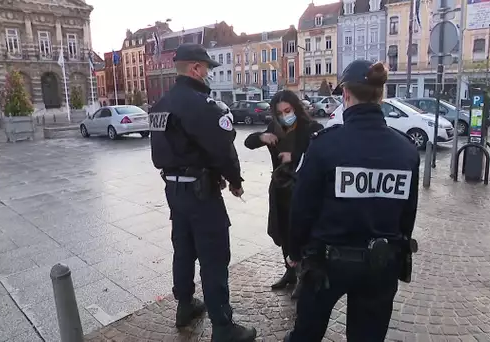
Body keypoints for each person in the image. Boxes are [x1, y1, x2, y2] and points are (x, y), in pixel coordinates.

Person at [284, 60, 420, 342]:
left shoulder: (325, 145)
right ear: (381, 96)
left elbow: (302, 207)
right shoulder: (406, 151)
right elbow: (408, 214)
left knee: (306, 335)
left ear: (346, 95)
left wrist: (295, 251)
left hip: (326, 263)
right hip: (381, 265)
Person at [149, 43, 256, 342]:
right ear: (196, 68)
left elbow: (159, 150)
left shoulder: (160, 106)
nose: (208, 74)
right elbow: (223, 151)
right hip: (201, 192)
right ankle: (223, 326)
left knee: (183, 248)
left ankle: (185, 305)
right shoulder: (201, 104)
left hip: (173, 189)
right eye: (207, 68)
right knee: (213, 255)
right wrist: (235, 181)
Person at [244, 90, 323, 299]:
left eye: (287, 111)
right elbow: (248, 142)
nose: (284, 115)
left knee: (301, 234)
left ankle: (303, 277)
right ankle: (290, 272)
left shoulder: (311, 128)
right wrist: (262, 136)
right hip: (281, 188)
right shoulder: (275, 128)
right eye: (279, 112)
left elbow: (320, 154)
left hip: (303, 190)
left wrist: (294, 156)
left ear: (296, 108)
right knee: (284, 231)